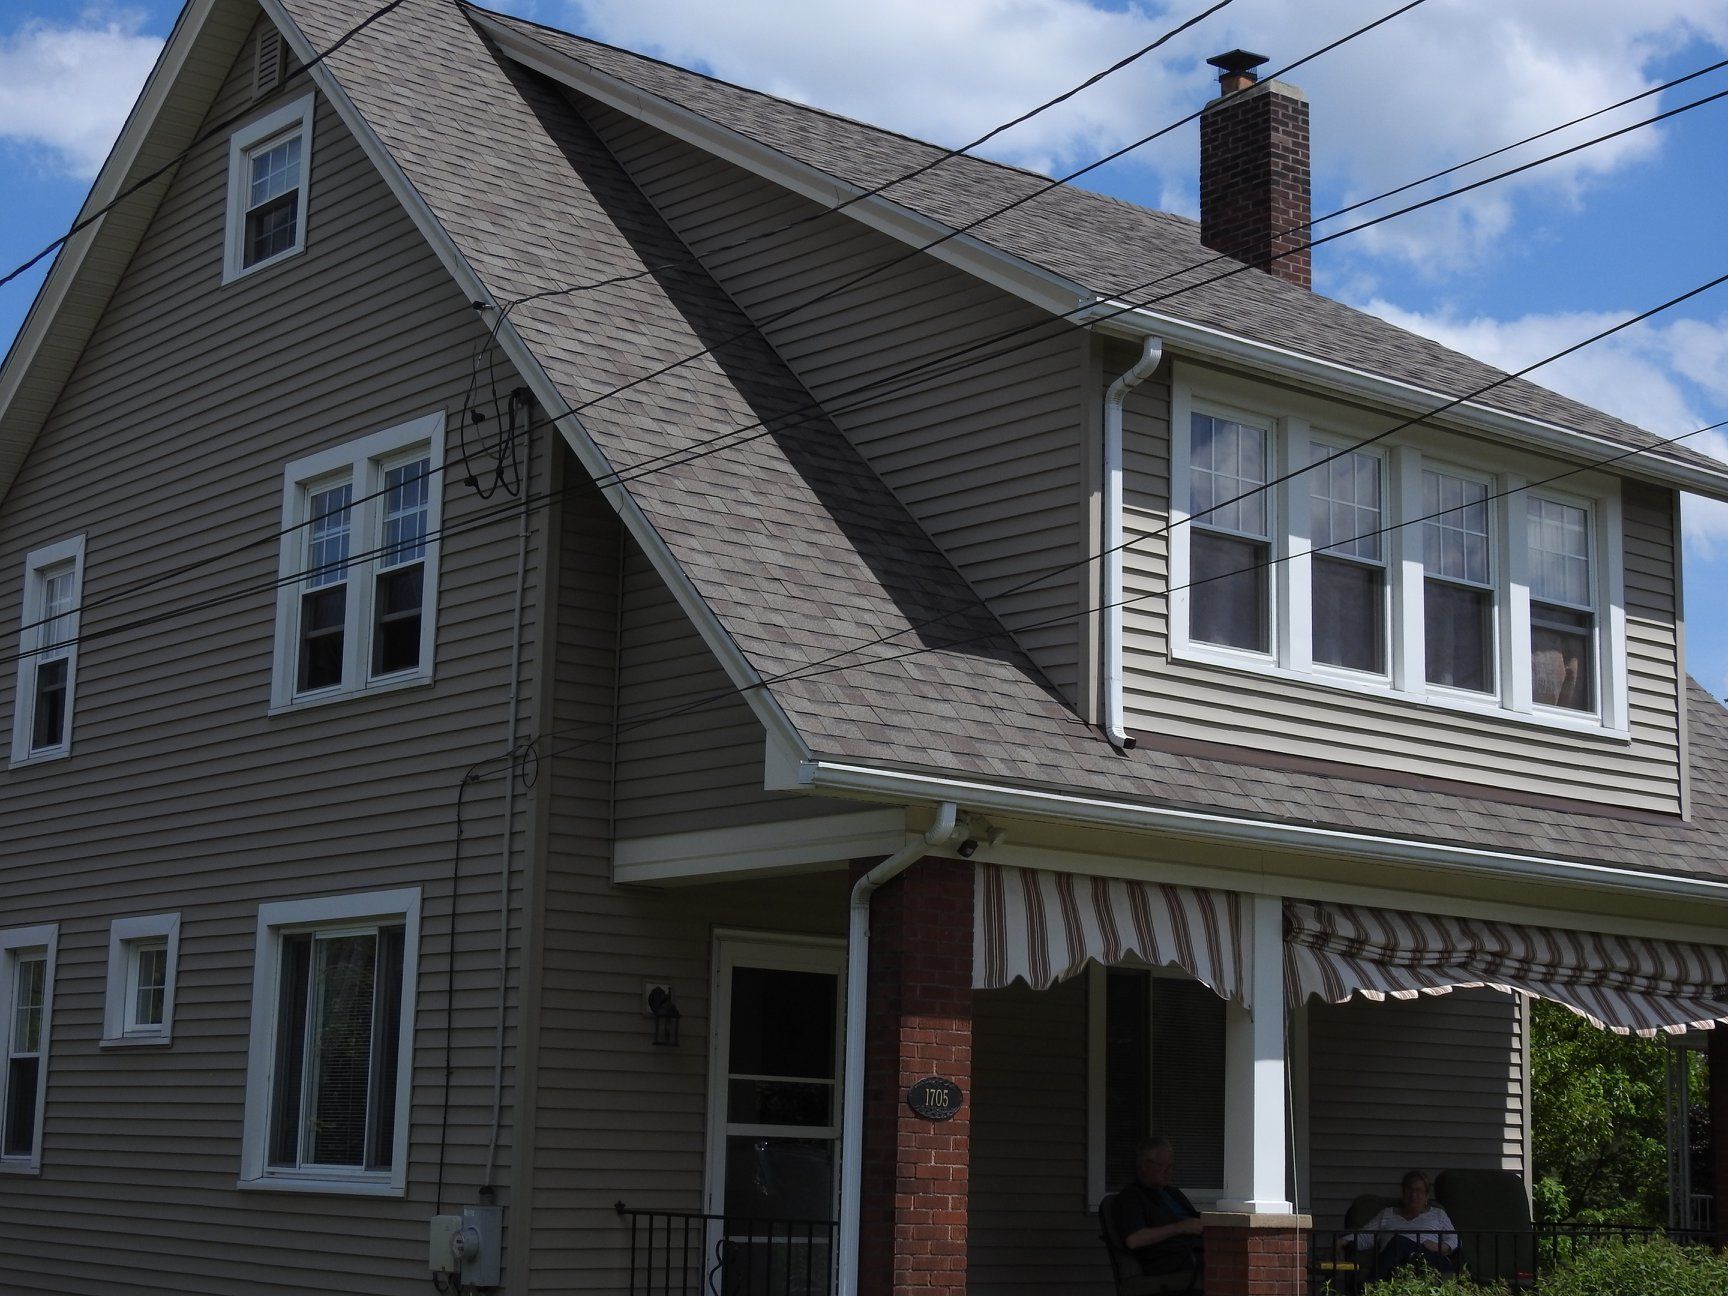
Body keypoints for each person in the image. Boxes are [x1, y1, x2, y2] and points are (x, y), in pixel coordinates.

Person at [1112, 1136, 1204, 1287]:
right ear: (1144, 1165)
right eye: (1162, 1165)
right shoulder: (1131, 1197)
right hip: (1169, 1261)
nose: (1168, 1171)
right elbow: (1134, 1239)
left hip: (1196, 1250)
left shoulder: (1173, 1193)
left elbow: (1194, 1219)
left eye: (1170, 1166)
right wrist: (1179, 1227)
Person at [1347, 1170, 1459, 1279]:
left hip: (1429, 1260)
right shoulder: (1387, 1214)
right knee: (1397, 1244)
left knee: (1398, 1242)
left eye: (1418, 1190)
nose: (1413, 1195)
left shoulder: (1438, 1214)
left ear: (1426, 1196)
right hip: (1395, 1265)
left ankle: (1369, 1287)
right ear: (1403, 1192)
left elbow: (1455, 1240)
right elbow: (1364, 1236)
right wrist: (1342, 1241)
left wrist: (1438, 1247)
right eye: (1409, 1189)